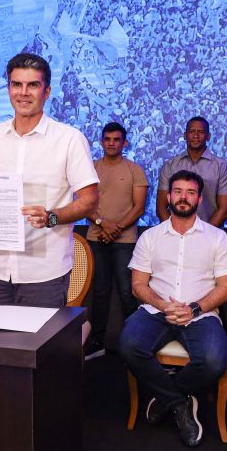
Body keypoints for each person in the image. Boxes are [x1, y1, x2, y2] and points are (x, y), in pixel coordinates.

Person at [0, 53, 98, 307]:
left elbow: (89, 201)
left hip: (44, 272)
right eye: (16, 84)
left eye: (32, 85)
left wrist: (51, 217)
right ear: (8, 89)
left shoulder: (69, 139)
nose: (23, 93)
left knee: (40, 335)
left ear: (47, 92)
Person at [119, 170, 227, 448]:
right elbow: (138, 285)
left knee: (213, 361)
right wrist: (163, 305)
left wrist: (194, 309)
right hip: (156, 310)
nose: (183, 197)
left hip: (201, 313)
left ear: (200, 199)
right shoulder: (150, 236)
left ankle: (165, 399)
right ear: (168, 196)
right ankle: (179, 404)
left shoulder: (218, 238)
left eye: (190, 192)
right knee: (128, 345)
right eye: (178, 191)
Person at [84, 122, 148, 360]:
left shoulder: (135, 170)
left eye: (116, 139)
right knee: (99, 292)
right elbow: (84, 203)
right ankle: (97, 343)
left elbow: (139, 207)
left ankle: (133, 344)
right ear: (101, 142)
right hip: (96, 238)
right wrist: (102, 224)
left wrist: (115, 228)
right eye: (107, 139)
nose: (111, 143)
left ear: (125, 143)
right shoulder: (90, 169)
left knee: (127, 292)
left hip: (125, 241)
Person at [156, 117, 227, 226]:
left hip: (210, 233)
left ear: (208, 136)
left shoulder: (222, 166)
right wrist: (173, 232)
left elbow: (224, 210)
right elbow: (161, 207)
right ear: (185, 135)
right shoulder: (170, 166)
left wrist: (205, 233)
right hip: (174, 233)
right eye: (192, 131)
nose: (196, 135)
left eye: (201, 132)